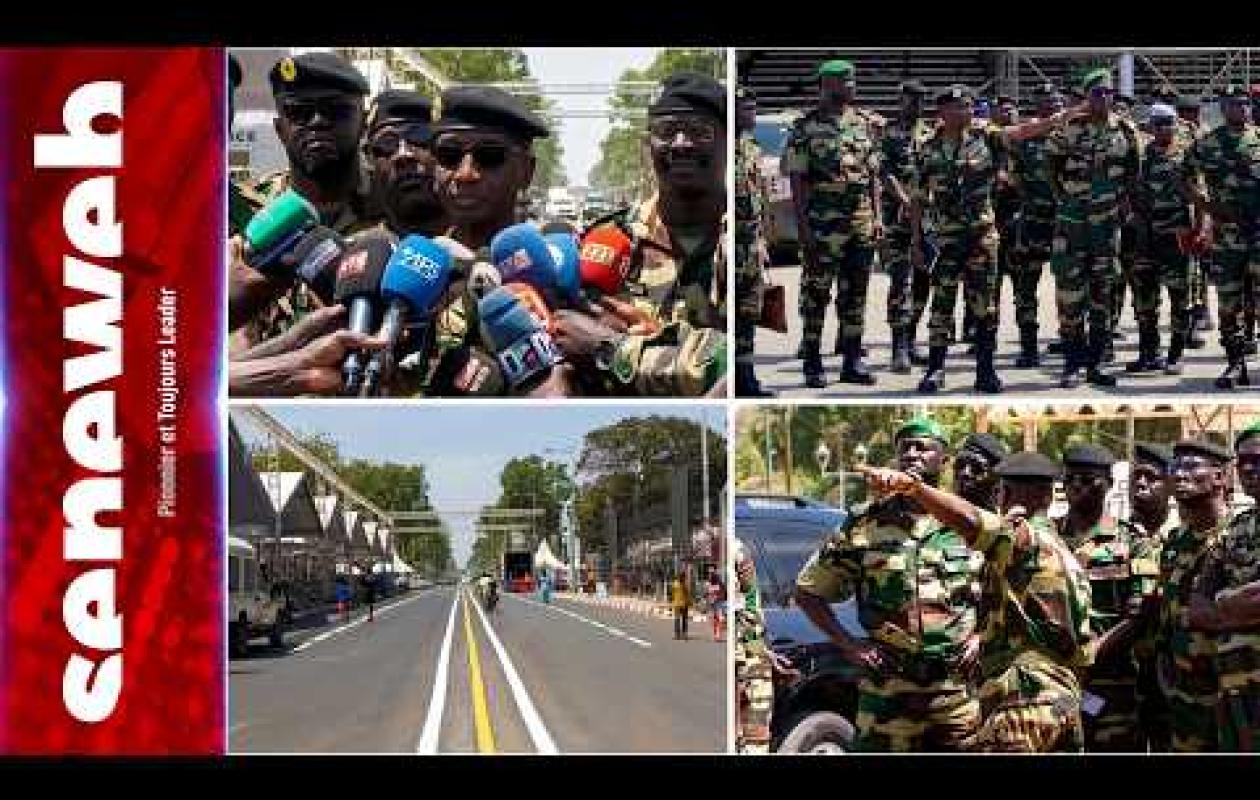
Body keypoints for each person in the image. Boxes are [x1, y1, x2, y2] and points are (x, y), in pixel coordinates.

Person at [854, 451, 1093, 753]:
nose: (997, 499)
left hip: (1026, 701)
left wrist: (915, 488)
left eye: (1001, 491)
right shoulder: (1065, 551)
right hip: (1062, 700)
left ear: (1008, 495)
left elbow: (970, 520)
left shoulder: (1026, 541)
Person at [794, 416, 983, 752]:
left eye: (923, 448)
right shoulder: (866, 523)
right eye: (904, 448)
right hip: (888, 694)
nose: (912, 454)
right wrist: (851, 645)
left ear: (945, 460)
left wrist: (983, 636)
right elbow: (808, 593)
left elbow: (1006, 587)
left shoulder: (967, 521)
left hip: (955, 694)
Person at [555, 72, 729, 398]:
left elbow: (735, 365)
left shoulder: (743, 238)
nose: (680, 144)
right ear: (648, 144)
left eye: (699, 132)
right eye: (666, 132)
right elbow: (574, 344)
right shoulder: (605, 240)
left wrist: (615, 348)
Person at [910, 85, 1084, 394]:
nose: (965, 111)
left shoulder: (986, 136)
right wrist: (916, 240)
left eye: (967, 106)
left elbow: (1023, 131)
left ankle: (986, 371)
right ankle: (936, 370)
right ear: (943, 113)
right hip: (946, 239)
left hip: (981, 236)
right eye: (957, 107)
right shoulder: (928, 147)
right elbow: (919, 197)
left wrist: (1060, 117)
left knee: (985, 306)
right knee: (942, 304)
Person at [235, 53, 379, 350]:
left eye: (335, 111)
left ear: (364, 123)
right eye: (299, 113)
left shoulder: (395, 203)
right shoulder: (241, 211)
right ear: (279, 129)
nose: (317, 123)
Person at [784, 59, 883, 388]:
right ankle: (813, 362)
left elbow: (872, 176)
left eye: (853, 80)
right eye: (846, 81)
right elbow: (796, 181)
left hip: (860, 222)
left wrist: (877, 217)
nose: (852, 86)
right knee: (816, 295)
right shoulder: (805, 127)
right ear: (828, 85)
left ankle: (852, 362)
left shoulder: (862, 124)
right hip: (823, 226)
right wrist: (804, 231)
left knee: (856, 294)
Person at [1045, 67, 1141, 389]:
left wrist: (1115, 201)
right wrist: (1067, 200)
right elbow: (1052, 167)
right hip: (1072, 226)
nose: (1103, 98)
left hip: (1105, 228)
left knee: (1102, 296)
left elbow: (1132, 172)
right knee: (1070, 297)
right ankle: (1072, 363)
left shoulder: (1126, 131)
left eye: (1108, 93)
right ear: (1087, 97)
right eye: (1097, 93)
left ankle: (1096, 364)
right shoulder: (1068, 128)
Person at [1145, 438, 1234, 751]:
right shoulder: (1175, 542)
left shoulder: (1237, 537)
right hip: (1180, 689)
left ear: (1220, 477)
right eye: (1175, 467)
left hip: (1229, 687)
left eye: (1192, 466)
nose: (1179, 474)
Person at [1056, 443, 1145, 751]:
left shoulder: (1132, 541)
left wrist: (1089, 657)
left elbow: (1139, 616)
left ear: (1109, 483)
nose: (1077, 486)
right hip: (1056, 683)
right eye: (1070, 479)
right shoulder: (1046, 538)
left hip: (1112, 685)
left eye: (1088, 479)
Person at [1183, 85, 1260, 389]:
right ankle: (1235, 364)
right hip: (1228, 237)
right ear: (1222, 108)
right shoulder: (1207, 144)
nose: (1240, 108)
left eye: (1244, 103)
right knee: (1229, 302)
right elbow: (1184, 175)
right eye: (1233, 104)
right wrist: (1204, 205)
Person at [1191, 424, 1260, 751]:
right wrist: (1229, 606)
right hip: (1234, 689)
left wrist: (1223, 601)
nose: (1248, 467)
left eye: (1257, 459)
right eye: (1243, 460)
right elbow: (1197, 607)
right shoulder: (1238, 528)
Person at [1127, 102, 1199, 375]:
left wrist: (1200, 230)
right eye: (1159, 123)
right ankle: (1148, 353)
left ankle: (1175, 355)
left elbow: (1198, 192)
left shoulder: (1185, 155)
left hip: (1176, 236)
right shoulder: (1142, 157)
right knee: (1145, 300)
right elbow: (1129, 191)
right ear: (1151, 126)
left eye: (1169, 123)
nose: (1164, 128)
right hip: (1146, 237)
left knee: (1179, 298)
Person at [880, 80, 934, 372]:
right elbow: (885, 172)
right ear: (901, 101)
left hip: (925, 219)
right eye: (910, 100)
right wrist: (904, 200)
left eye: (920, 100)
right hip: (897, 219)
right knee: (900, 280)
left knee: (923, 281)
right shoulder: (890, 132)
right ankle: (898, 348)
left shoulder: (930, 132)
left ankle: (912, 340)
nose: (915, 105)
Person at [1128, 441, 1177, 751]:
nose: (1141, 484)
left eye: (1150, 477)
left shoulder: (1181, 537)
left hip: (1171, 672)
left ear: (1170, 486)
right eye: (1136, 477)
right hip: (1124, 672)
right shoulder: (1118, 538)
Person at [734, 85, 775, 397]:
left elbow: (759, 200)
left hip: (749, 247)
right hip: (724, 249)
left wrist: (762, 244)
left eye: (753, 106)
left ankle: (746, 377)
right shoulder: (720, 153)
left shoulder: (751, 147)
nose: (752, 112)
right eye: (745, 107)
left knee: (749, 313)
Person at [705, 568, 727, 641]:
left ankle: (718, 634)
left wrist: (719, 597)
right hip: (713, 603)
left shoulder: (718, 583)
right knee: (715, 619)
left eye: (711, 573)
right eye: (709, 573)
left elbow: (723, 592)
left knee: (719, 618)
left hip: (718, 602)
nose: (710, 575)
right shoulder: (709, 583)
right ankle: (716, 634)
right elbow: (707, 593)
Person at [671, 571, 691, 640]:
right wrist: (689, 602)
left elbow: (672, 594)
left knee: (677, 619)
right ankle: (684, 634)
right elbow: (687, 594)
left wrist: (672, 601)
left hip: (677, 604)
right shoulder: (684, 584)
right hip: (683, 604)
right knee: (684, 620)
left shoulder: (675, 584)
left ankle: (677, 635)